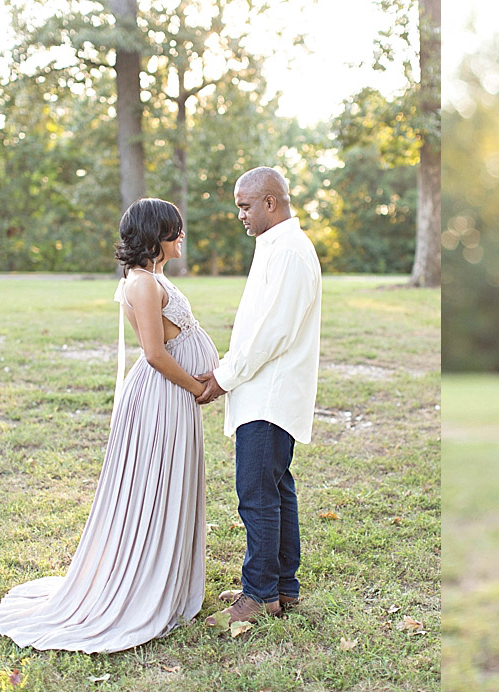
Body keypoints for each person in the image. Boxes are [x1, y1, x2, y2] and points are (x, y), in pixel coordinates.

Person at [0, 199, 215, 653]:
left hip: (168, 397)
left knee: (161, 486)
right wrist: (196, 386)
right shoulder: (145, 284)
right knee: (152, 487)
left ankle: (161, 572)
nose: (181, 236)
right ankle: (141, 582)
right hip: (164, 396)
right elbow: (154, 354)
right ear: (156, 234)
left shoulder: (150, 278)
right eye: (175, 229)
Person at [197, 166, 322, 630]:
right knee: (274, 487)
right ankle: (281, 585)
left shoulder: (290, 250)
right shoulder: (274, 246)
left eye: (245, 206)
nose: (241, 216)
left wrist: (224, 376)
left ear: (271, 201)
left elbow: (272, 333)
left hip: (270, 395)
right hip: (262, 392)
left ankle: (259, 594)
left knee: (256, 494)